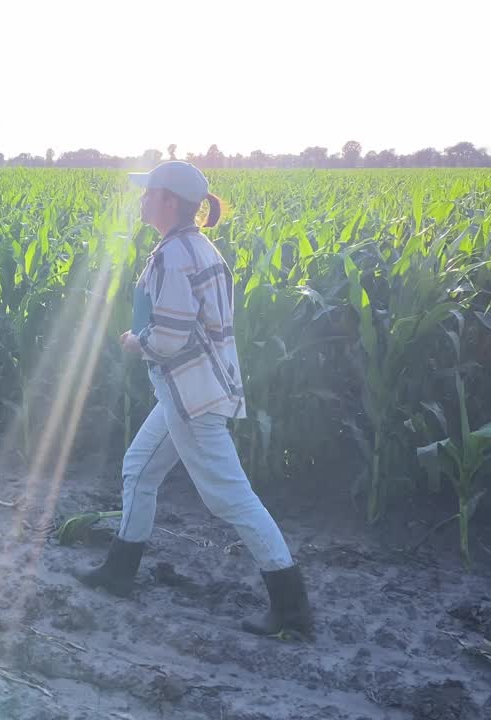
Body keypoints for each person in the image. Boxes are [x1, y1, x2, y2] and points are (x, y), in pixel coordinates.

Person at [75, 160, 314, 641]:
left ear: (170, 201)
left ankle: (292, 607)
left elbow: (171, 335)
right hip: (187, 390)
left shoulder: (173, 256)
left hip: (192, 395)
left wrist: (135, 342)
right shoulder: (197, 247)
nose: (142, 200)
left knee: (231, 498)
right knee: (138, 469)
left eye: (150, 193)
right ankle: (120, 571)